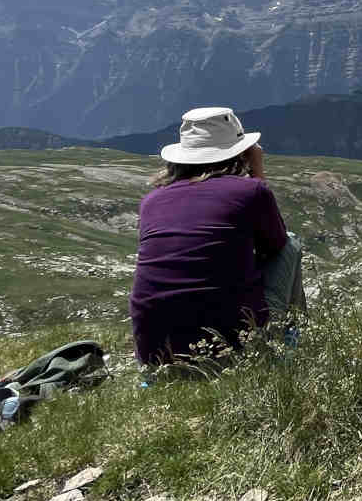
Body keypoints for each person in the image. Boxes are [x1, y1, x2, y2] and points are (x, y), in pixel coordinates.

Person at [129, 107, 305, 367]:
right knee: (291, 244)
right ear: (240, 151)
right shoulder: (251, 191)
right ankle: (291, 343)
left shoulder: (150, 201)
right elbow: (275, 245)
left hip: (156, 356)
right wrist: (257, 171)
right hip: (230, 349)